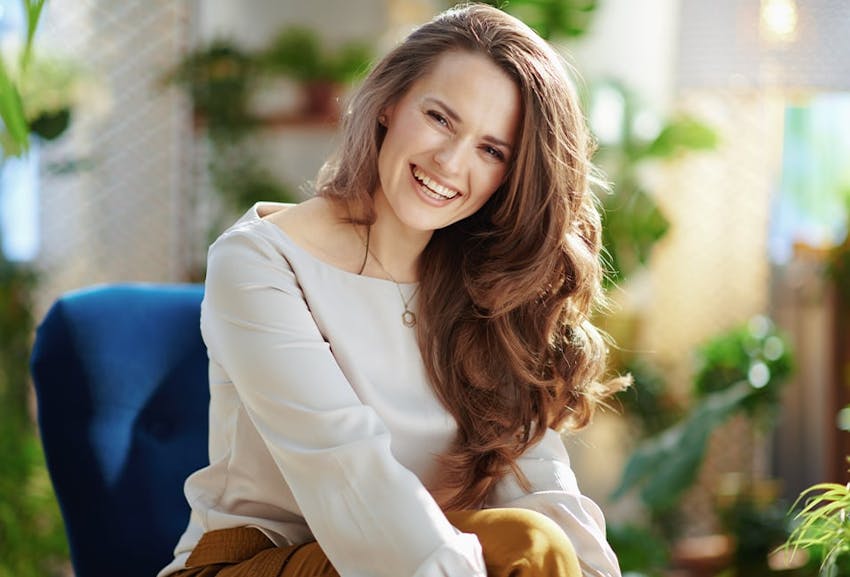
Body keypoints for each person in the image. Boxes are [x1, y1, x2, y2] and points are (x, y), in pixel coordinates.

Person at [158, 3, 629, 577]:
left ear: (512, 175)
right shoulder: (259, 260)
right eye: (440, 118)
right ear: (389, 103)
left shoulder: (484, 283)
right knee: (522, 543)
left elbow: (536, 475)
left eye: (491, 150)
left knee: (536, 538)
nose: (451, 162)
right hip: (264, 559)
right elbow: (346, 472)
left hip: (441, 553)